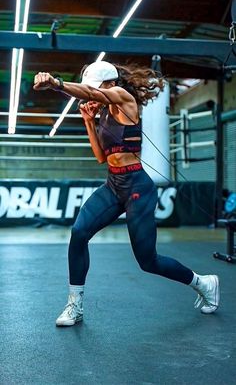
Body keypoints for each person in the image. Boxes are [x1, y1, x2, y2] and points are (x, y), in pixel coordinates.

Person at [33, 61, 220, 327]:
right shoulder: (106, 112)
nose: (94, 93)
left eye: (97, 89)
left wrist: (56, 82)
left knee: (148, 260)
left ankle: (203, 282)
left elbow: (94, 94)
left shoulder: (124, 97)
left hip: (137, 187)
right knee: (79, 233)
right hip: (113, 185)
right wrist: (89, 122)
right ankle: (75, 305)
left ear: (110, 84)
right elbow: (101, 157)